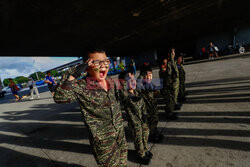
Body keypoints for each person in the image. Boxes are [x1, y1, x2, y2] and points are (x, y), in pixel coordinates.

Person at [53, 47, 128, 167]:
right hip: (103, 140)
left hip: (119, 131)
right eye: (97, 62)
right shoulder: (83, 85)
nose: (103, 65)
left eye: (106, 61)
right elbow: (60, 97)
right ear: (86, 66)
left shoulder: (111, 82)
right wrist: (75, 73)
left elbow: (119, 100)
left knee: (124, 162)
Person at [119, 71, 152, 165]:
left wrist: (145, 114)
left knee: (145, 134)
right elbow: (121, 88)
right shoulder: (125, 94)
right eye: (130, 80)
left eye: (133, 80)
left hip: (143, 120)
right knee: (138, 139)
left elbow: (143, 105)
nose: (133, 82)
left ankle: (145, 150)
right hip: (134, 123)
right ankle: (141, 155)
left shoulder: (137, 92)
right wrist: (125, 78)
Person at [139, 66, 164, 143]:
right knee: (149, 122)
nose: (149, 76)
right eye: (146, 75)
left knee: (155, 120)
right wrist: (141, 77)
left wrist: (156, 91)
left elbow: (156, 92)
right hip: (146, 109)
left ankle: (154, 131)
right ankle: (151, 135)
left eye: (150, 74)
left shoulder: (152, 83)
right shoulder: (141, 85)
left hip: (153, 107)